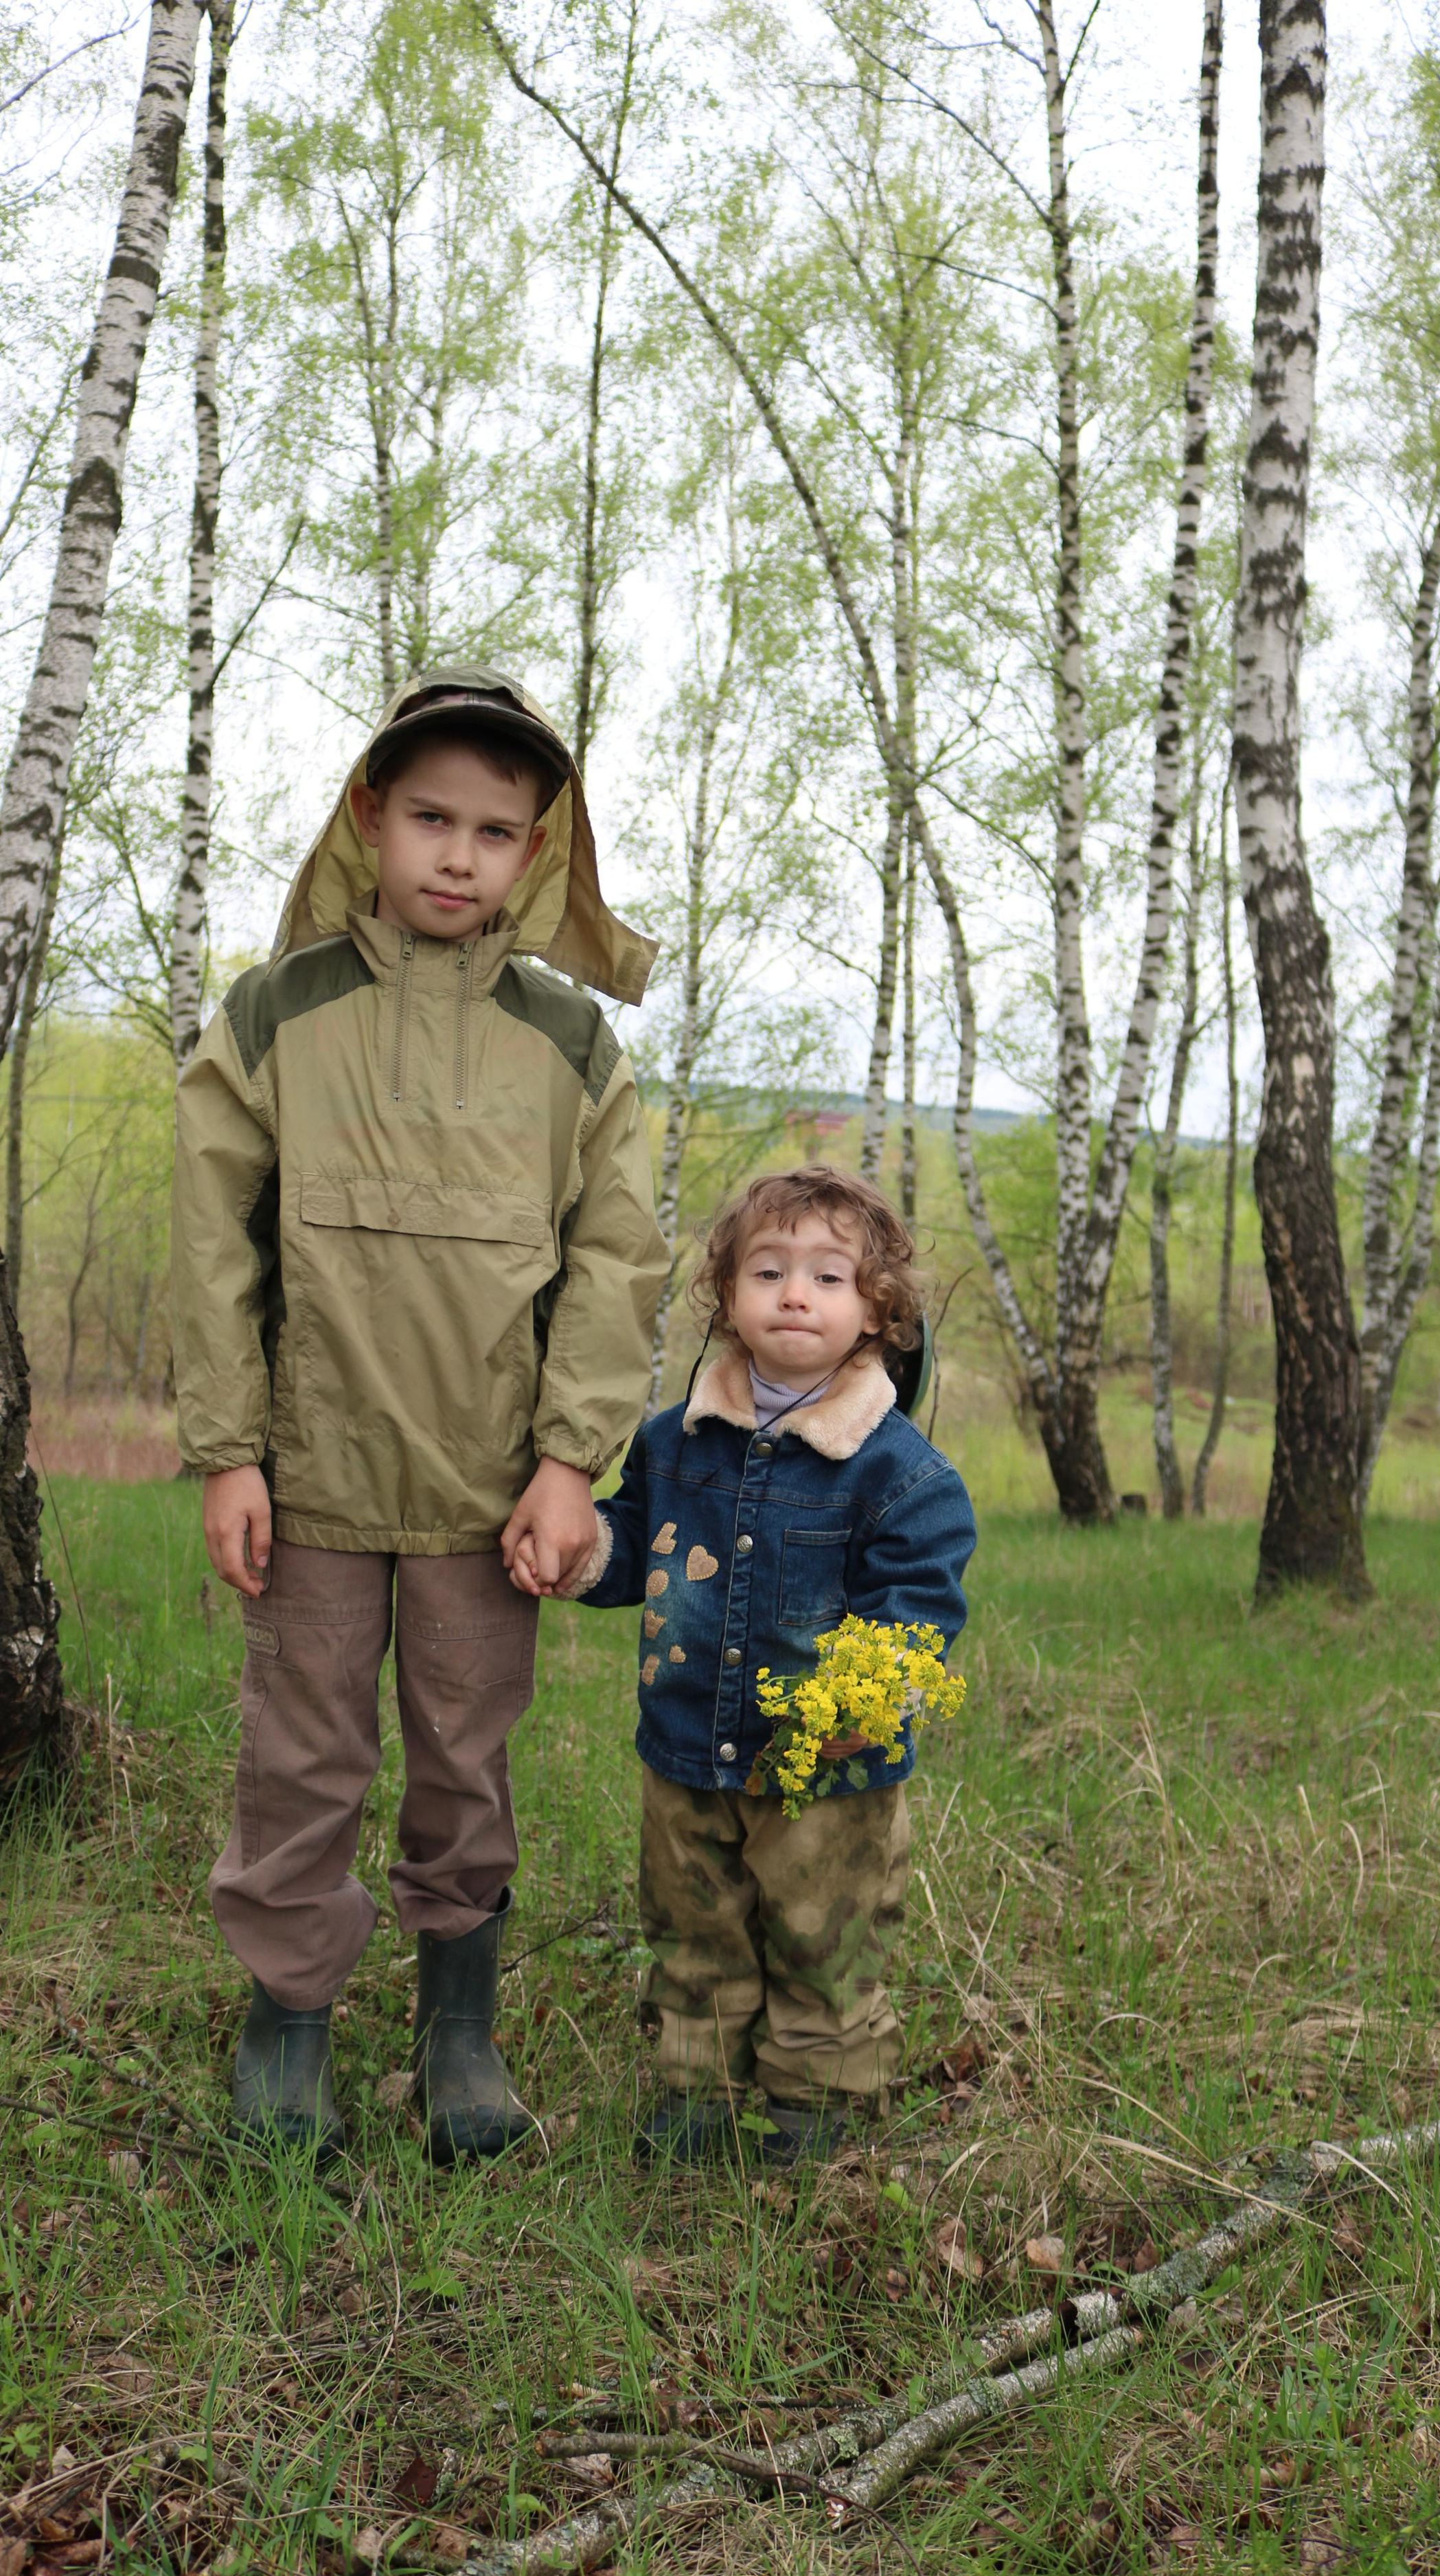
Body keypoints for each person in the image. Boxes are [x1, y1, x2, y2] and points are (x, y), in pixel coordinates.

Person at [172, 666, 669, 2164]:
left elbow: (617, 1259)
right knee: (301, 1763)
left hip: (488, 1495)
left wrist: (573, 1462)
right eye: (432, 819)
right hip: (312, 1479)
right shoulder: (275, 1015)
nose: (459, 856)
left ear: (540, 855)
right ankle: (288, 2029)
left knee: (463, 1763)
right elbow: (214, 1242)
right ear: (369, 819)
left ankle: (459, 2036)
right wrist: (228, 1451)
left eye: (499, 831)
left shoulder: (571, 1047)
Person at [556, 1165, 977, 2166]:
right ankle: (698, 2086)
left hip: (824, 1770)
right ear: (728, 1298)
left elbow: (918, 1616)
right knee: (692, 1919)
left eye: (830, 1278)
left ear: (879, 1315)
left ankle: (821, 2100)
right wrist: (581, 1553)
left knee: (821, 1931)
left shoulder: (900, 1473)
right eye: (770, 1270)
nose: (796, 1293)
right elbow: (634, 1546)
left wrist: (862, 1702)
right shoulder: (675, 1443)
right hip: (686, 1743)